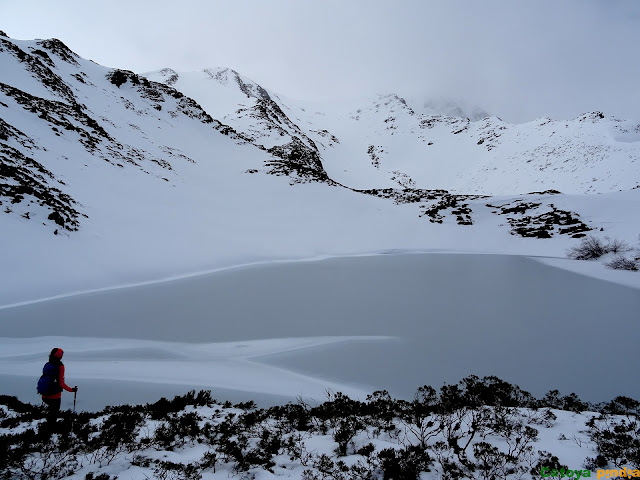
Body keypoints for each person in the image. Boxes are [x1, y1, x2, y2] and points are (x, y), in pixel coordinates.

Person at [40, 347, 77, 434]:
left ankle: (47, 430)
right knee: (54, 414)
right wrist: (72, 390)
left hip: (44, 394)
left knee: (50, 413)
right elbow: (61, 383)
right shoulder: (60, 366)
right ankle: (50, 432)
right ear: (59, 356)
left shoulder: (47, 364)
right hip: (55, 396)